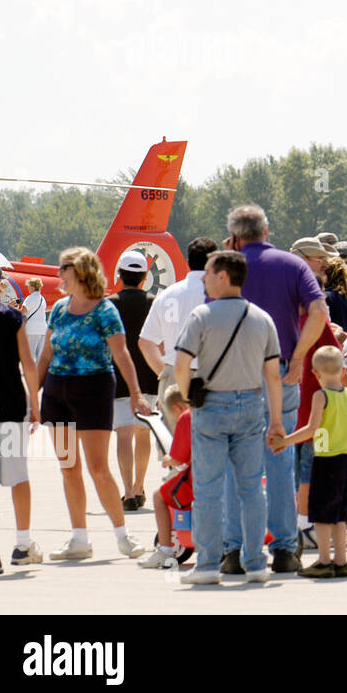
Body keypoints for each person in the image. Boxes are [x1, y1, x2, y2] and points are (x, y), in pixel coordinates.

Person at [225, 204, 330, 574]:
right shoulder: (292, 264)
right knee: (281, 458)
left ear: (235, 234)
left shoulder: (227, 268)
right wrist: (300, 356)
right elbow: (319, 312)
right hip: (282, 370)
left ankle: (234, 549)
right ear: (267, 230)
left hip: (234, 376)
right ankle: (285, 548)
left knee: (235, 463)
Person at [175, 250, 284, 585]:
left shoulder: (201, 315)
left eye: (208, 272)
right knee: (252, 488)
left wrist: (186, 395)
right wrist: (277, 420)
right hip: (251, 404)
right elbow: (273, 376)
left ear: (223, 276)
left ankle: (207, 565)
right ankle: (255, 562)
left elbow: (181, 364)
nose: (204, 278)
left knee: (208, 489)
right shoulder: (262, 318)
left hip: (211, 405)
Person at [37, 247, 149, 562]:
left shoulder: (105, 311)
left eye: (63, 269)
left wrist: (137, 393)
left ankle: (123, 536)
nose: (59, 275)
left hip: (94, 390)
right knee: (68, 468)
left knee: (98, 468)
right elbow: (45, 355)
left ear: (81, 272)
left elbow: (122, 355)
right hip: (57, 393)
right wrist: (32, 396)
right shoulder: (58, 309)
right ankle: (79, 539)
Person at [0, 259, 42, 574]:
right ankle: (23, 545)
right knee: (19, 477)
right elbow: (28, 363)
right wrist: (35, 404)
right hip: (11, 408)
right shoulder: (13, 318)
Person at [271, 346, 347, 578]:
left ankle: (324, 560)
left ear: (315, 373)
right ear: (343, 370)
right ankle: (341, 560)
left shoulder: (320, 396)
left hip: (326, 461)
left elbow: (311, 428)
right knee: (340, 515)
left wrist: (285, 441)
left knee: (322, 514)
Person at [139, 237, 217, 428]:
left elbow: (146, 342)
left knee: (172, 447)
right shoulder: (219, 293)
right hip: (212, 376)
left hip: (173, 373)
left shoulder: (167, 294)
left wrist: (164, 373)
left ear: (188, 262)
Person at [109, 249, 160, 512]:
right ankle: (140, 487)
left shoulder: (110, 303)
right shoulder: (154, 301)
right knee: (143, 434)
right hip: (150, 376)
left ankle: (127, 491)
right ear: (143, 277)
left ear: (120, 275)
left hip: (118, 376)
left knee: (123, 435)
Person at [137, 386, 193, 570]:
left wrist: (167, 460)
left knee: (159, 496)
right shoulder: (212, 412)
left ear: (177, 407)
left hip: (197, 478)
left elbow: (177, 457)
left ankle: (165, 550)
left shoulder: (187, 417)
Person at [21, 277, 48, 361]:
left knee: (30, 354)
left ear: (32, 287)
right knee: (39, 355)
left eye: (28, 286)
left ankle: (31, 373)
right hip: (43, 329)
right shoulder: (42, 298)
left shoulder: (30, 298)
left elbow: (22, 312)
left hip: (32, 329)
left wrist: (11, 308)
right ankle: (39, 373)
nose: (28, 288)